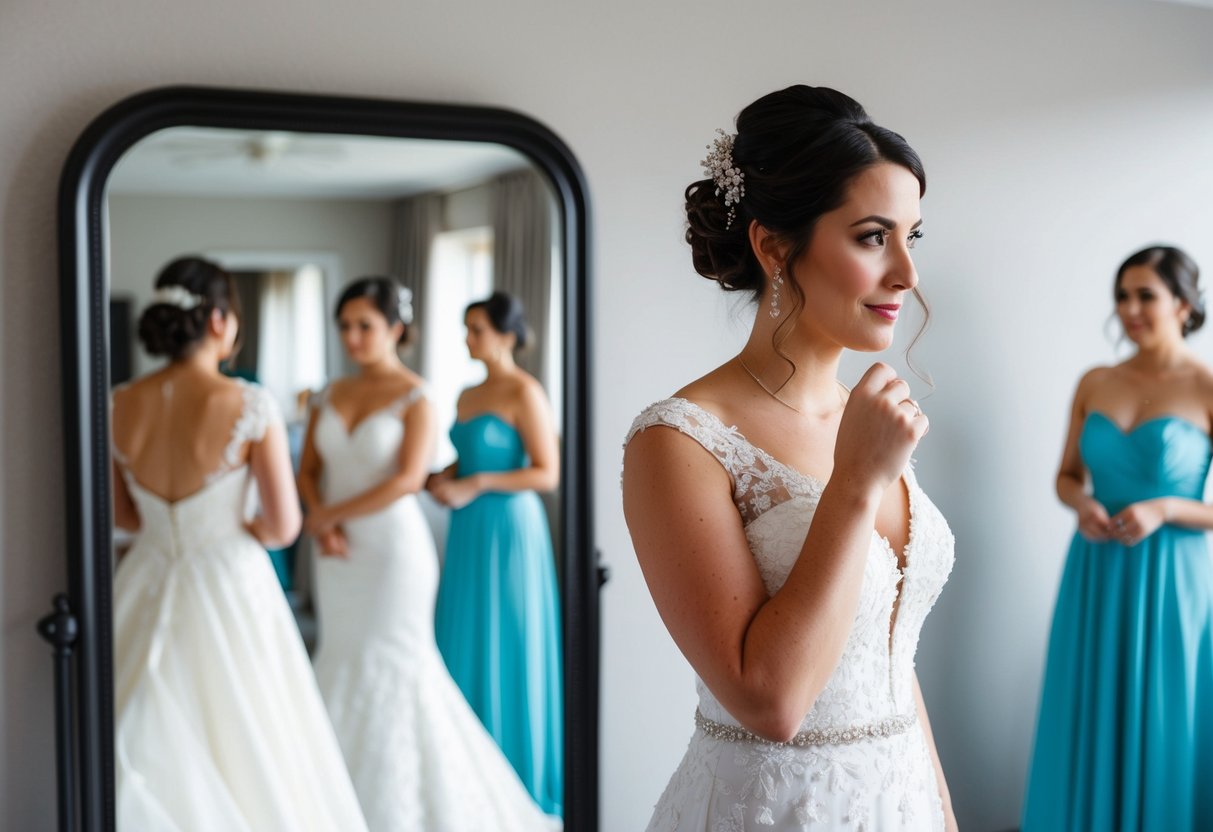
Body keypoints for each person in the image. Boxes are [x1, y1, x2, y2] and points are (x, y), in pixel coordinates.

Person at [621, 85, 957, 831]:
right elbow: (769, 700)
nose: (905, 271)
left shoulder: (866, 417)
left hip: (899, 800)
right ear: (775, 246)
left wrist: (940, 812)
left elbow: (890, 668)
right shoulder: (677, 440)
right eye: (872, 237)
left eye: (913, 237)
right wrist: (854, 482)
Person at [110, 256, 367, 831]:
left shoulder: (119, 402)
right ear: (221, 321)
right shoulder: (248, 402)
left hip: (145, 574)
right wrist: (234, 526)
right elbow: (283, 526)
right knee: (255, 733)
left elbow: (124, 516)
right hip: (228, 577)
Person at [298, 277, 558, 831]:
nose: (352, 337)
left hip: (391, 548)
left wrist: (329, 516)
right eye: (344, 326)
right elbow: (309, 471)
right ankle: (323, 787)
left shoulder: (417, 393)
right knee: (340, 653)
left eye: (364, 325)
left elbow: (406, 479)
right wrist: (321, 523)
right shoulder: (328, 395)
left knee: (398, 663)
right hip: (335, 548)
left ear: (395, 328)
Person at [1022, 246, 1213, 831]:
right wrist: (1081, 503)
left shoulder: (1206, 386)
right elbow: (1066, 475)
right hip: (1096, 569)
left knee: (1163, 714)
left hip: (1171, 580)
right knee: (1089, 711)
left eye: (1145, 295)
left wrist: (1165, 506)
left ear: (1183, 304)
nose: (1129, 308)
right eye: (1122, 295)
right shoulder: (1096, 381)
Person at [427, 291, 564, 816]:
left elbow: (546, 472)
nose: (467, 338)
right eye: (466, 328)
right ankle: (465, 767)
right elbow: (464, 459)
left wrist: (478, 482)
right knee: (463, 632)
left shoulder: (523, 391)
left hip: (509, 528)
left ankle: (515, 770)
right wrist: (447, 476)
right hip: (468, 529)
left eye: (476, 329)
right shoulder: (465, 395)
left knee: (508, 633)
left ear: (506, 335)